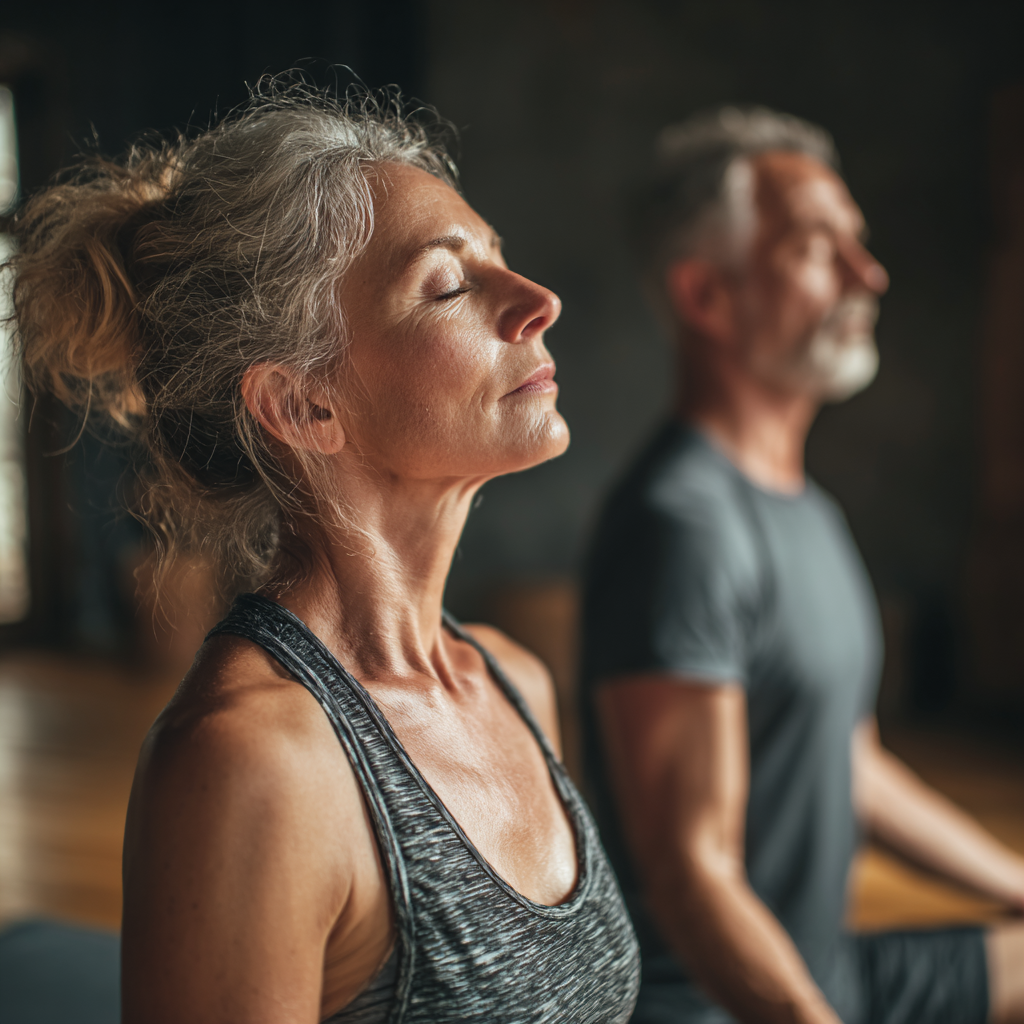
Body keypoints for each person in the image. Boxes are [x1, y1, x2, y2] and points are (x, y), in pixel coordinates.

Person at [10, 85, 640, 1024]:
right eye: (450, 285)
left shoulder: (514, 681)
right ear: (305, 405)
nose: (538, 303)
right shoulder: (252, 762)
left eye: (501, 260)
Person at [581, 106, 1024, 1024]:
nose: (870, 276)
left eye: (859, 246)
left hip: (825, 971)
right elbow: (690, 874)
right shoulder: (683, 524)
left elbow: (845, 764)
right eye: (821, 249)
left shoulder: (807, 510)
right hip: (724, 1005)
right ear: (708, 295)